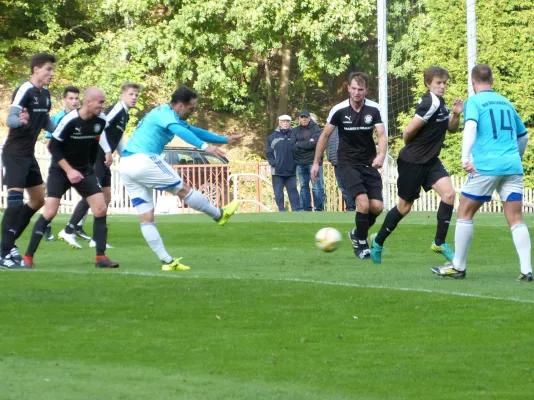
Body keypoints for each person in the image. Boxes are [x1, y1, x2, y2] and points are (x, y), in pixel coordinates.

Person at [119, 86, 243, 271]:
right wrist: (205, 147)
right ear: (179, 106)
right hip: (143, 159)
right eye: (191, 108)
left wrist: (224, 139)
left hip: (126, 165)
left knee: (146, 217)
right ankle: (219, 215)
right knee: (183, 189)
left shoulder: (168, 115)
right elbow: (181, 131)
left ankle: (167, 262)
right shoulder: (165, 114)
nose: (192, 112)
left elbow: (193, 130)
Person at [432, 64, 531, 281]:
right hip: (512, 166)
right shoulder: (506, 102)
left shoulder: (474, 102)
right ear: (492, 81)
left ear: (473, 82)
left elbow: (471, 127)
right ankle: (526, 270)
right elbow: (523, 136)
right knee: (515, 218)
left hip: (486, 166)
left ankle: (458, 266)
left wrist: (465, 157)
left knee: (465, 212)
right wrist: (514, 158)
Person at [369, 66, 463, 264]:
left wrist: (456, 114)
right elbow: (408, 132)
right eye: (439, 83)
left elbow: (452, 130)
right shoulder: (429, 102)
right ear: (428, 84)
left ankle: (439, 242)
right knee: (404, 208)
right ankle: (377, 242)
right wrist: (414, 149)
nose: (443, 86)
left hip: (431, 160)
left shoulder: (441, 103)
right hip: (413, 161)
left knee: (449, 194)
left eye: (445, 83)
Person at [23, 87, 118, 268]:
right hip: (60, 170)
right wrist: (69, 170)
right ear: (88, 102)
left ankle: (101, 258)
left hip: (84, 171)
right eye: (100, 102)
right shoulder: (70, 120)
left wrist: (91, 164)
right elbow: (53, 147)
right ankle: (28, 257)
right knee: (50, 211)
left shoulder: (100, 121)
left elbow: (94, 142)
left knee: (100, 208)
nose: (103, 106)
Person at [311, 72, 387, 259]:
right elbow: (325, 136)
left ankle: (357, 233)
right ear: (348, 89)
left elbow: (382, 135)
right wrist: (316, 162)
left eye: (361, 89)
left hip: (368, 163)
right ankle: (361, 245)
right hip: (347, 163)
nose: (357, 92)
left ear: (366, 91)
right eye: (353, 88)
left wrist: (381, 155)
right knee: (362, 202)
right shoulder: (339, 110)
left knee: (377, 206)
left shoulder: (374, 109)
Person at [57, 82, 141, 249]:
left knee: (106, 196)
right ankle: (68, 230)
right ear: (122, 95)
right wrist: (107, 150)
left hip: (105, 157)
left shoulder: (126, 114)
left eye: (136, 95)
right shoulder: (116, 109)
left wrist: (127, 156)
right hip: (98, 155)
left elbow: (118, 138)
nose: (134, 97)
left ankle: (97, 238)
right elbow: (99, 127)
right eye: (131, 94)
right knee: (93, 194)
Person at [1, 53, 56, 269]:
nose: (51, 73)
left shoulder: (46, 94)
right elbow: (11, 119)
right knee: (14, 203)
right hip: (15, 152)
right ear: (36, 69)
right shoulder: (24, 89)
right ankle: (3, 253)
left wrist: (63, 130)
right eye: (48, 69)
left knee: (38, 200)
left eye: (52, 70)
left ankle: (8, 242)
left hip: (29, 153)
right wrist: (20, 121)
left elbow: (46, 123)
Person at [43, 85, 81, 242]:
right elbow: (48, 141)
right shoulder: (57, 118)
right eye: (71, 98)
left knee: (94, 195)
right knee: (53, 202)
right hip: (60, 166)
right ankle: (46, 225)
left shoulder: (82, 117)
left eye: (77, 98)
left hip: (78, 165)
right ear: (64, 99)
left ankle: (75, 227)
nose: (74, 101)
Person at [266, 115, 301, 212]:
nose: (285, 123)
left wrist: (296, 163)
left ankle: (296, 211)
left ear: (290, 123)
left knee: (293, 192)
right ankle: (281, 211)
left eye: (287, 121)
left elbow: (299, 150)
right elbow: (269, 153)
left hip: (291, 170)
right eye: (283, 121)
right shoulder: (272, 137)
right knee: (278, 193)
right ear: (279, 123)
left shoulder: (294, 135)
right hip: (277, 170)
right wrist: (274, 163)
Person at [291, 110, 324, 211]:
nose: (304, 119)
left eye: (306, 117)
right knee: (303, 186)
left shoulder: (316, 129)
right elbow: (292, 146)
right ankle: (306, 209)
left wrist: (299, 144)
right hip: (300, 163)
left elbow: (314, 143)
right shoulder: (294, 130)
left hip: (313, 163)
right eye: (302, 117)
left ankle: (319, 209)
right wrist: (307, 143)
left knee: (317, 187)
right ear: (299, 119)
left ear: (309, 118)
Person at [326, 126, 356, 211]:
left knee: (348, 186)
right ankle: (349, 207)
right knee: (342, 187)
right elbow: (328, 145)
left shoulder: (349, 127)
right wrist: (330, 158)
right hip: (336, 162)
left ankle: (351, 207)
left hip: (347, 162)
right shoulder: (330, 128)